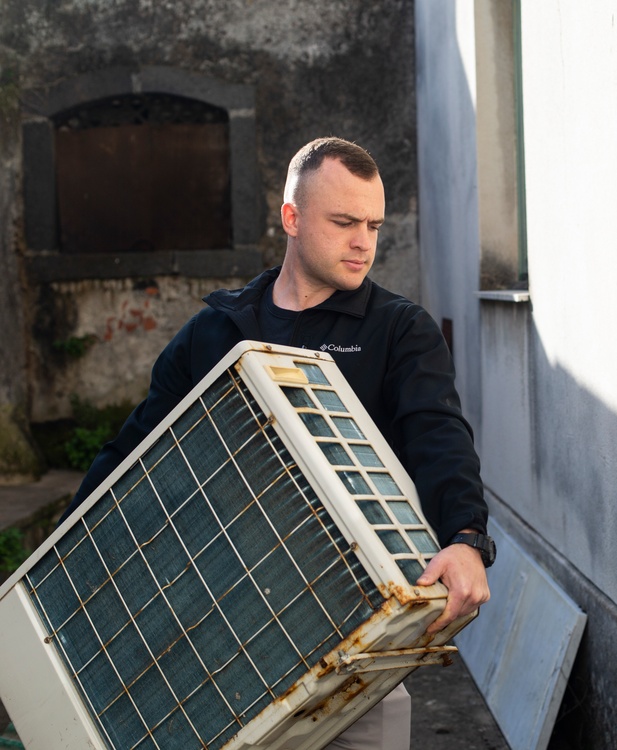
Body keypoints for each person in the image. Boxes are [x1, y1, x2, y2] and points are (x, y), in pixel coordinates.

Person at [61, 136, 494, 750]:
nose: (363, 242)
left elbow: (440, 437)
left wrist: (466, 538)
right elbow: (136, 450)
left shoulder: (399, 330)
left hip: (351, 642)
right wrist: (69, 549)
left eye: (372, 224)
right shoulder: (217, 330)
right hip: (216, 634)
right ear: (291, 218)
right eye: (343, 222)